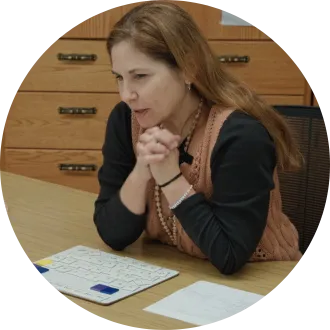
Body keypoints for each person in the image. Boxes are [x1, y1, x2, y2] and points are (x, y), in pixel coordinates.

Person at [93, 1, 304, 275]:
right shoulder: (125, 119)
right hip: (182, 270)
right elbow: (113, 235)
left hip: (262, 278)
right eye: (119, 78)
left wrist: (170, 178)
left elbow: (229, 255)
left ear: (188, 68)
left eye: (140, 76)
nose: (126, 94)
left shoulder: (241, 136)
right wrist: (141, 172)